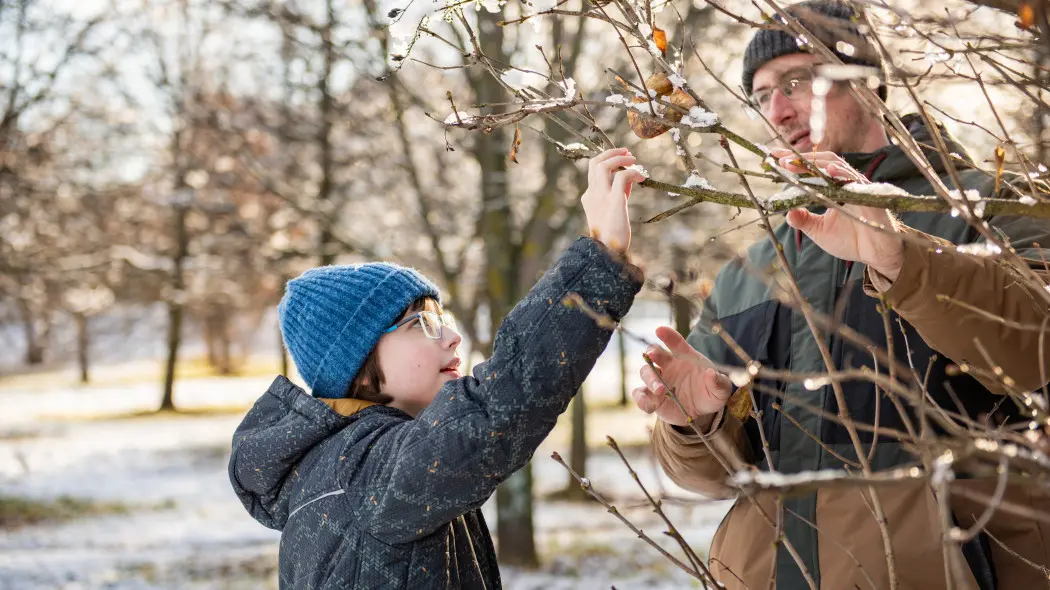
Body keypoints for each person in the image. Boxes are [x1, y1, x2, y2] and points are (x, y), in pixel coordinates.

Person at [632, 2, 1050, 589]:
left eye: (797, 82)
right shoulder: (749, 272)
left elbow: (1037, 346)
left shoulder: (990, 204)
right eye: (760, 96)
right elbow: (719, 474)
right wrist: (695, 426)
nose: (777, 110)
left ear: (865, 79)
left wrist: (903, 259)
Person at [229, 148, 645, 589]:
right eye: (420, 323)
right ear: (360, 360)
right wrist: (601, 255)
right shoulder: (363, 472)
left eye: (441, 319)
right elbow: (494, 412)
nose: (451, 337)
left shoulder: (346, 468)